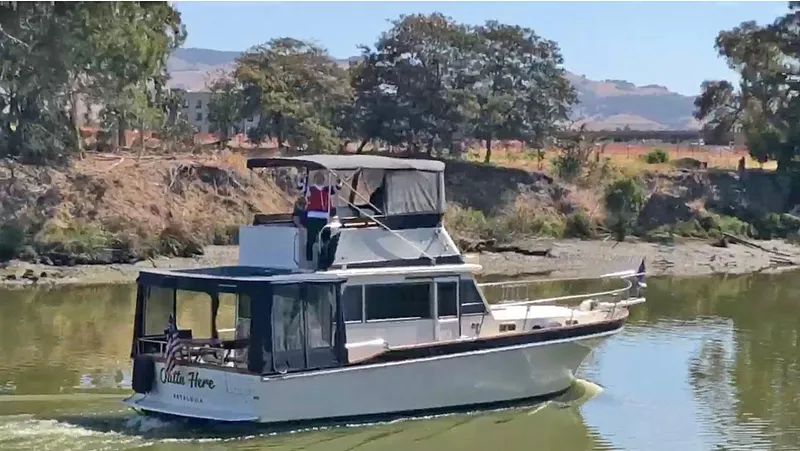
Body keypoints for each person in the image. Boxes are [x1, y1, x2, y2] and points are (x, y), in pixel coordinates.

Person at [296, 171, 342, 261]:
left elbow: (337, 188)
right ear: (315, 179)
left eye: (322, 178)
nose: (320, 179)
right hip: (312, 217)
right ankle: (309, 259)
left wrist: (339, 181)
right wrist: (301, 179)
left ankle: (324, 259)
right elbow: (300, 188)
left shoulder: (327, 189)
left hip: (324, 218)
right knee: (311, 239)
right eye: (318, 177)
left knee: (325, 239)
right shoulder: (310, 189)